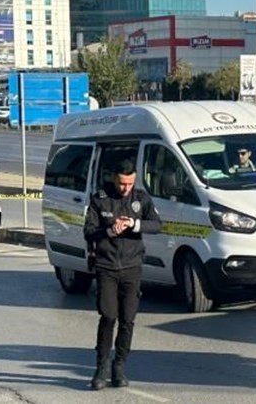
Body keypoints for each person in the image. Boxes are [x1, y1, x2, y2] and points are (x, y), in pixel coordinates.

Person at [83, 159, 162, 390]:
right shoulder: (100, 199)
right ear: (114, 178)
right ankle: (101, 368)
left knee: (128, 320)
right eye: (121, 183)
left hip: (132, 266)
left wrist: (134, 225)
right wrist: (109, 230)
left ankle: (119, 367)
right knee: (108, 316)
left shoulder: (141, 199)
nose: (125, 188)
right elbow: (88, 231)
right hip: (106, 266)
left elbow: (157, 225)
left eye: (129, 183)